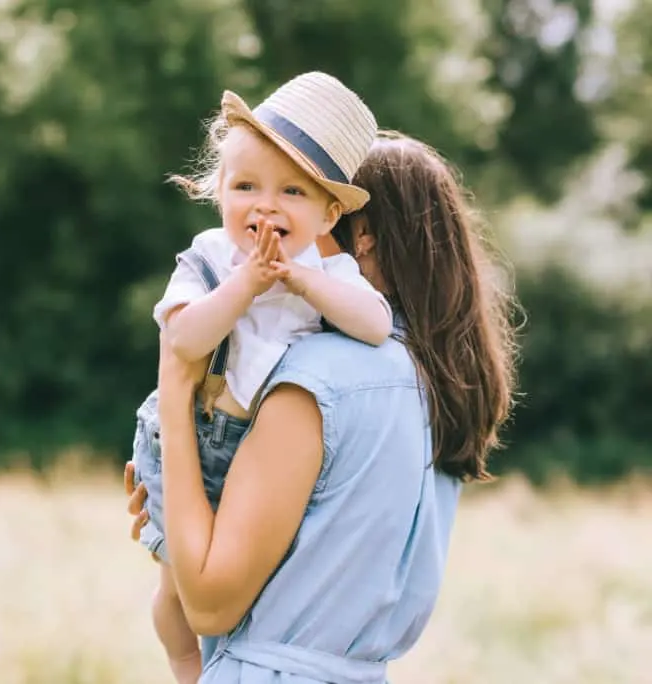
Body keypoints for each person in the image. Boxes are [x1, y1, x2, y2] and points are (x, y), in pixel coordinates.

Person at [124, 129, 518, 683]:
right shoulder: (441, 388)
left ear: (361, 237)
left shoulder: (321, 376)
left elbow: (210, 604)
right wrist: (188, 516)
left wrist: (174, 401)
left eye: (302, 199)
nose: (278, 225)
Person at [130, 72, 393, 684]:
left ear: (328, 214)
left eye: (292, 193)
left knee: (244, 588)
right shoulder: (210, 258)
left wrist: (305, 283)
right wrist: (246, 283)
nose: (266, 205)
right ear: (218, 191)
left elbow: (376, 325)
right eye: (245, 185)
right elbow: (183, 342)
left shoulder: (327, 274)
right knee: (178, 591)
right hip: (192, 434)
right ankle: (187, 668)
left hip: (257, 457)